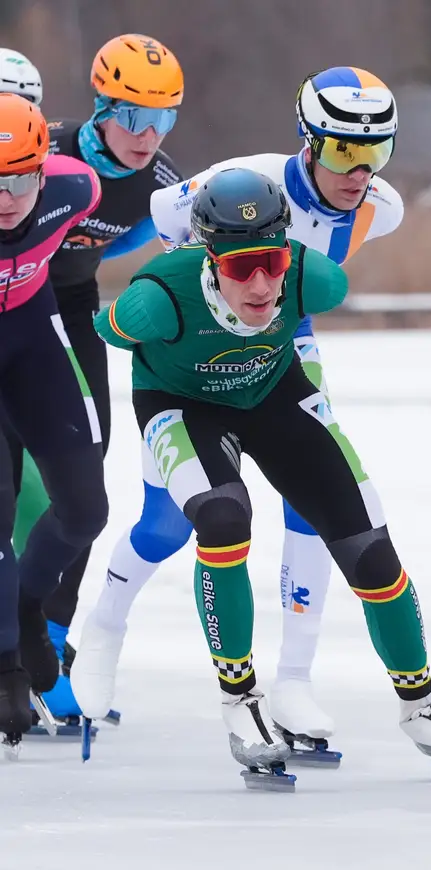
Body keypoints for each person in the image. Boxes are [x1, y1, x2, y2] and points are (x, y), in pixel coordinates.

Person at [71, 167, 431, 778]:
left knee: (370, 548)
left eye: (271, 259)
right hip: (181, 405)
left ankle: (421, 708)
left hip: (272, 398)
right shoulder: (156, 300)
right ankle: (240, 699)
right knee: (222, 519)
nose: (262, 282)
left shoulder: (313, 278)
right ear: (207, 258)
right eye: (241, 267)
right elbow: (105, 329)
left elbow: (321, 257)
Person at [73, 67, 402, 748]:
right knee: (170, 520)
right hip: (196, 352)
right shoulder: (248, 178)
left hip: (288, 347)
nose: (360, 170)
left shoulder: (384, 205)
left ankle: (295, 680)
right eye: (344, 150)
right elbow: (167, 218)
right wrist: (193, 317)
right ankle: (105, 624)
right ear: (308, 141)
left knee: (316, 500)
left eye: (378, 152)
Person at [0, 34, 183, 722]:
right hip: (25, 297)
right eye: (134, 114)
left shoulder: (156, 180)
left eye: (164, 117)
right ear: (101, 104)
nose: (148, 133)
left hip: (63, 306)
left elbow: (177, 249)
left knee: (87, 470)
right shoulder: (52, 149)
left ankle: (51, 629)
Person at [0, 94, 107, 744]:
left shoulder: (78, 189)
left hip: (32, 342)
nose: (8, 196)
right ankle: (4, 661)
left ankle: (29, 605)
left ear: (45, 169)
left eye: (20, 178)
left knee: (85, 510)